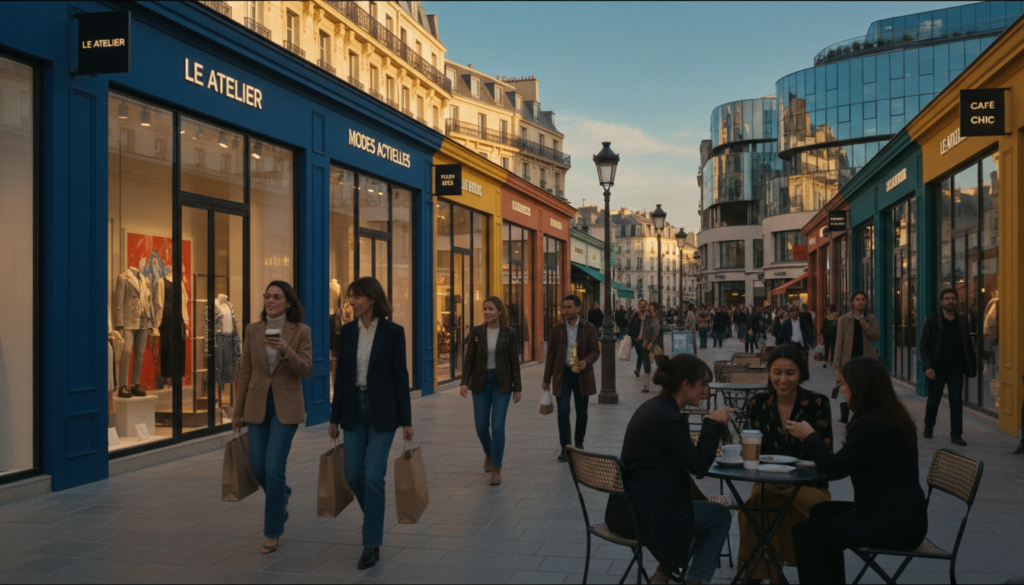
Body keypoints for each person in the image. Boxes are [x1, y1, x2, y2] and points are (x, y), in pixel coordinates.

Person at [788, 357, 928, 584]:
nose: (841, 389)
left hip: (893, 524)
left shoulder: (872, 425)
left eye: (844, 383)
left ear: (859, 387)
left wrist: (810, 437)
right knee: (822, 512)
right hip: (902, 516)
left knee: (804, 533)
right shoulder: (887, 415)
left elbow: (834, 469)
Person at [604, 353, 737, 585]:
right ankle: (695, 580)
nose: (706, 391)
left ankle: (663, 574)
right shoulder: (668, 418)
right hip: (645, 516)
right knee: (719, 516)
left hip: (623, 510)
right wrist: (711, 424)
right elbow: (698, 466)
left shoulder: (652, 407)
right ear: (686, 385)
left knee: (697, 512)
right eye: (703, 384)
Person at [329, 277, 413, 570]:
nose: (351, 302)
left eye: (356, 297)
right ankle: (373, 518)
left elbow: (400, 377)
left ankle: (371, 542)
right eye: (350, 297)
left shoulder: (393, 332)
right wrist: (334, 417)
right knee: (353, 475)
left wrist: (407, 420)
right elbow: (340, 377)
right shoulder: (348, 331)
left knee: (373, 476)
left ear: (372, 299)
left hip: (383, 413)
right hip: (353, 409)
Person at [737, 344, 834, 582]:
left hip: (809, 486)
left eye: (790, 373)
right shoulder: (758, 404)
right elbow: (752, 453)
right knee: (755, 502)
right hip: (768, 480)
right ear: (769, 372)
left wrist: (809, 438)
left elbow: (827, 458)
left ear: (800, 373)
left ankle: (771, 576)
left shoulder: (817, 403)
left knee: (777, 502)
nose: (783, 379)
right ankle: (758, 576)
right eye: (777, 372)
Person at [234, 281, 313, 555]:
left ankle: (272, 532)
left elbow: (306, 370)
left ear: (288, 302)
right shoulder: (252, 329)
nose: (270, 301)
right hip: (257, 405)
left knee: (273, 467)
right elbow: (245, 371)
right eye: (267, 296)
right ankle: (283, 495)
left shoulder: (301, 331)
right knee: (258, 468)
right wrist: (237, 411)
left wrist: (286, 351)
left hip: (286, 406)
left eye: (277, 297)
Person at [459, 297, 522, 486]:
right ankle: (489, 452)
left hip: (501, 383)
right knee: (480, 426)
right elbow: (469, 359)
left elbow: (514, 362)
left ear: (500, 312)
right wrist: (464, 382)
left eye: (491, 309)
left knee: (497, 427)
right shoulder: (477, 332)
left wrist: (517, 387)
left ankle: (496, 467)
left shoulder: (509, 333)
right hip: (480, 383)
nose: (487, 312)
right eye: (485, 309)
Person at [543, 294, 600, 461]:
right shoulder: (556, 329)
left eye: (569, 307)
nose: (565, 310)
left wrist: (586, 362)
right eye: (564, 307)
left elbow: (595, 350)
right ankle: (566, 447)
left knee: (582, 412)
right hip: (563, 374)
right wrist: (546, 379)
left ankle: (579, 444)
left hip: (582, 374)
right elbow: (551, 355)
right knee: (563, 411)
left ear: (578, 308)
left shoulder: (589, 328)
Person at [919, 288, 977, 447]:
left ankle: (956, 435)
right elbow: (923, 345)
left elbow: (967, 344)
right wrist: (928, 367)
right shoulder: (931, 320)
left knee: (956, 400)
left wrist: (970, 363)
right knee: (934, 400)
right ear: (941, 301)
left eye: (953, 298)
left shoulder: (962, 321)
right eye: (947, 298)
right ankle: (928, 426)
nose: (950, 301)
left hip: (955, 368)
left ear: (957, 301)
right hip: (936, 367)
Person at [833, 292, 879, 424]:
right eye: (858, 299)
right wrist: (837, 365)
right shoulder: (843, 319)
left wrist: (866, 326)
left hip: (865, 360)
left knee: (864, 389)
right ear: (852, 302)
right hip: (849, 361)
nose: (861, 302)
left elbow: (876, 336)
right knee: (849, 389)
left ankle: (861, 415)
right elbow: (839, 343)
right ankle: (847, 415)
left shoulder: (871, 318)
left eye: (863, 299)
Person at [640, 302, 664, 393]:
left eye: (652, 310)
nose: (651, 312)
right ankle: (646, 386)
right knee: (646, 364)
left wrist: (651, 343)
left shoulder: (657, 320)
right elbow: (644, 329)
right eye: (650, 309)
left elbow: (656, 333)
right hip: (646, 344)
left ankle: (663, 384)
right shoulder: (647, 319)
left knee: (660, 364)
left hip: (655, 344)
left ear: (656, 311)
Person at [628, 299, 649, 378]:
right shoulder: (635, 313)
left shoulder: (648, 315)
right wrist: (632, 335)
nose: (643, 306)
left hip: (645, 338)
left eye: (644, 304)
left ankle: (639, 370)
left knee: (643, 354)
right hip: (636, 338)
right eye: (641, 304)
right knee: (640, 354)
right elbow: (630, 324)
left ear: (646, 306)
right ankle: (640, 370)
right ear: (638, 305)